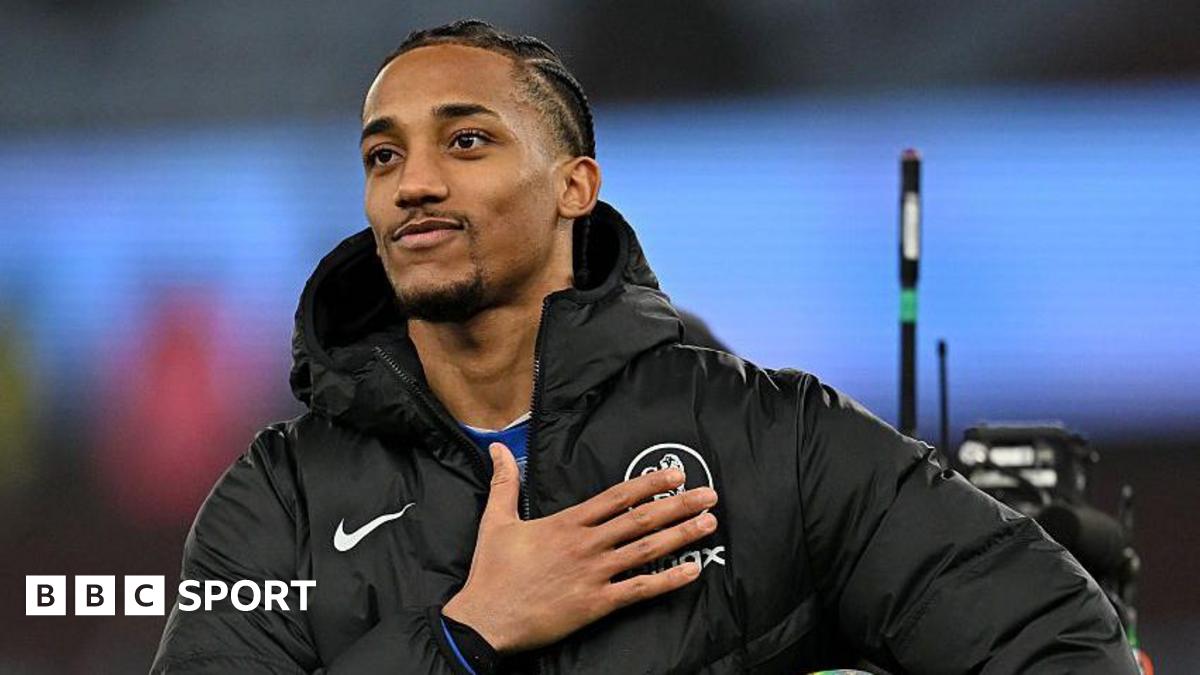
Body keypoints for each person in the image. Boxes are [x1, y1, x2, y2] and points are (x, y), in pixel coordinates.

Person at [151, 19, 1137, 675]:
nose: (413, 183)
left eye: (466, 141)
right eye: (383, 155)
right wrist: (463, 636)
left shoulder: (771, 437)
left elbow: (1056, 640)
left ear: (574, 186)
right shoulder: (278, 499)